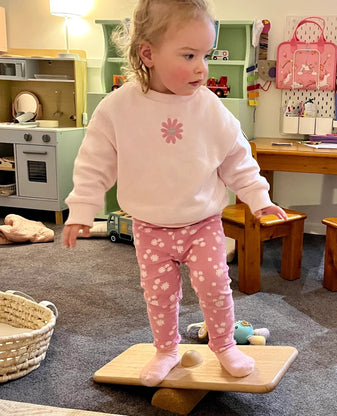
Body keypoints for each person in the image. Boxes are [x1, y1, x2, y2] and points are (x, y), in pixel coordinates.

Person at [63, 0, 288, 387]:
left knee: (215, 288)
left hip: (202, 223)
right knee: (159, 296)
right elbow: (94, 160)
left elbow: (237, 156)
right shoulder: (118, 108)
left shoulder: (210, 108)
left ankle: (224, 345)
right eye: (189, 55)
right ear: (147, 53)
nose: (202, 67)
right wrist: (82, 207)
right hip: (150, 227)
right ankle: (166, 349)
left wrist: (258, 197)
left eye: (206, 54)